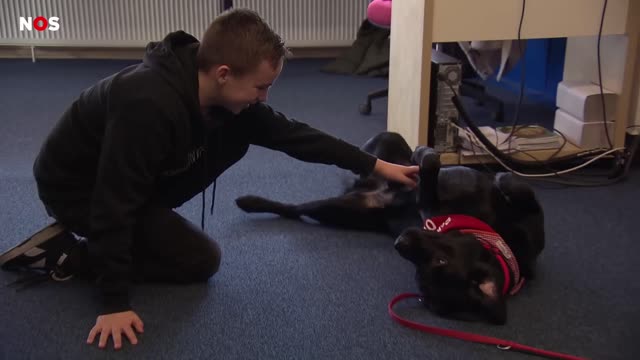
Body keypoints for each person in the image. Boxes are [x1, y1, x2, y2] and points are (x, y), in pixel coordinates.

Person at [0, 9, 419, 350]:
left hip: (133, 181)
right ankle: (66, 255)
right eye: (261, 86)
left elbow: (297, 136)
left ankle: (113, 242)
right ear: (223, 73)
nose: (264, 97)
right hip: (76, 187)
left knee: (200, 236)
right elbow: (115, 200)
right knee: (200, 260)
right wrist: (113, 304)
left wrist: (376, 167)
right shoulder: (146, 104)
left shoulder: (224, 101)